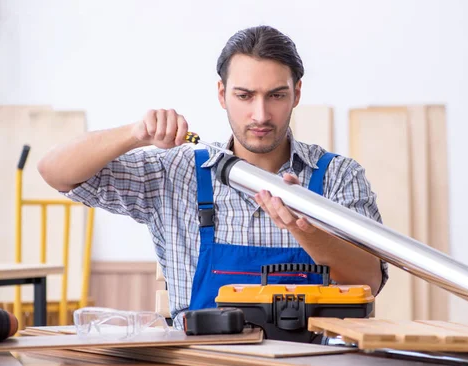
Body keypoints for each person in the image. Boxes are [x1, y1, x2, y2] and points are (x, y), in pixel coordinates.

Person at [38, 25, 388, 329]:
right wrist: (134, 134)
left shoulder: (338, 177)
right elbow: (55, 172)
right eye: (244, 95)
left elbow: (368, 280)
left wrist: (304, 228)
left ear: (297, 93)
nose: (260, 114)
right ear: (222, 94)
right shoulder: (175, 174)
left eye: (276, 95)